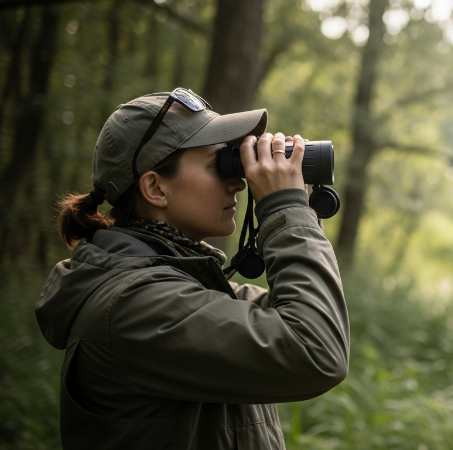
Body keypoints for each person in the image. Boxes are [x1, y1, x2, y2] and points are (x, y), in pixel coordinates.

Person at [34, 89, 349, 450]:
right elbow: (317, 350)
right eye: (222, 163)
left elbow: (315, 315)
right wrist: (285, 207)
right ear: (155, 188)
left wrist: (294, 201)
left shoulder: (189, 287)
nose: (240, 181)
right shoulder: (135, 306)